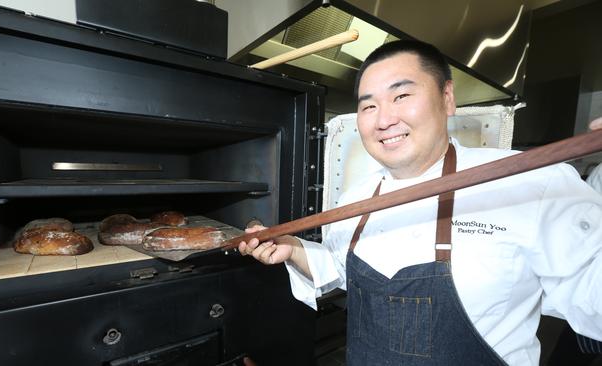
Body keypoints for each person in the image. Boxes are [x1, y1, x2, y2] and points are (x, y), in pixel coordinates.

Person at [239, 40, 602, 366]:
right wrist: (295, 249)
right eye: (369, 106)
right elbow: (345, 271)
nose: (384, 120)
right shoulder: (356, 200)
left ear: (447, 98)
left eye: (402, 96)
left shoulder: (530, 184)